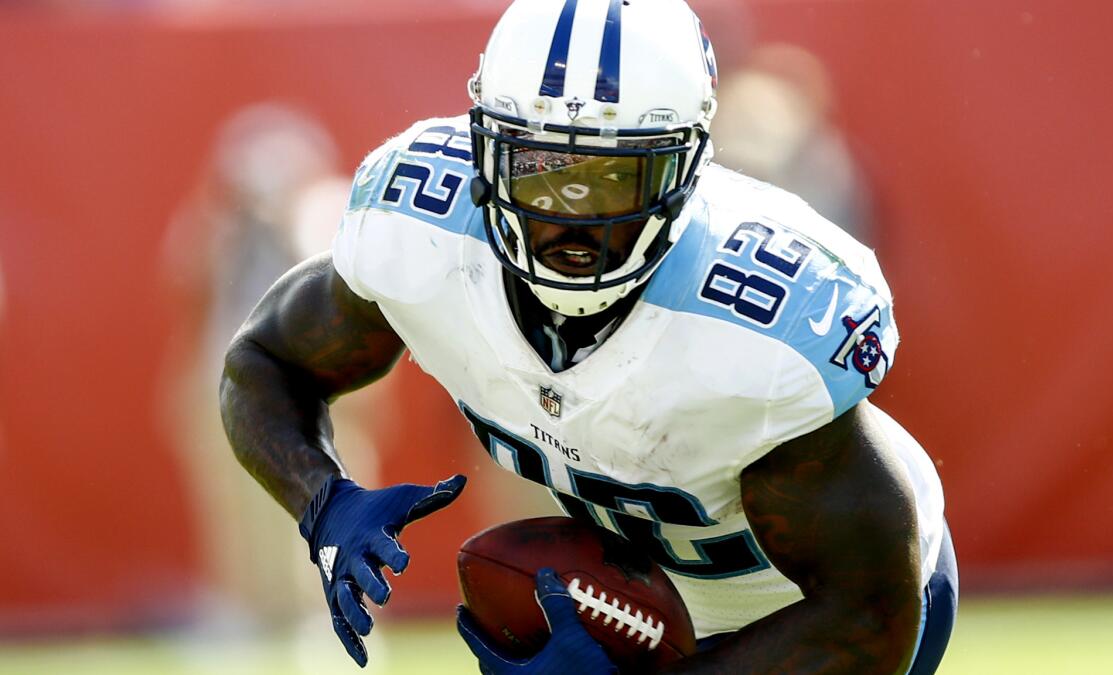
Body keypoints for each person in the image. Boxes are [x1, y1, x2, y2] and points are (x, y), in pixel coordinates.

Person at [219, 0, 957, 672]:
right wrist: (325, 502)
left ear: (690, 167)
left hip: (804, 619)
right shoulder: (423, 232)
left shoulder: (759, 329)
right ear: (485, 153)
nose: (575, 220)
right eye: (542, 169)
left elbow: (866, 615)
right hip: (650, 599)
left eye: (614, 179)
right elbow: (262, 361)